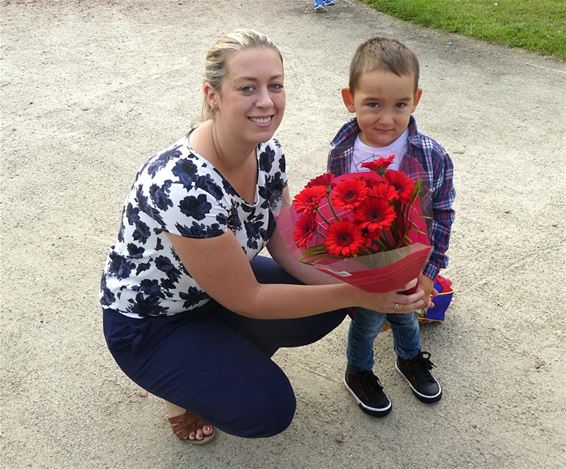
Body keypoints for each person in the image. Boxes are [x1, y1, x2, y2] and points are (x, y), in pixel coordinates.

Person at [100, 29, 426, 445]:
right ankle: (176, 384)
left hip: (211, 290)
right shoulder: (182, 186)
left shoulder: (267, 152)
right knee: (267, 408)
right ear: (213, 95)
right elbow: (248, 299)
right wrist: (358, 296)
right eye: (247, 88)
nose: (267, 102)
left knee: (322, 306)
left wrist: (372, 284)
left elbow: (290, 247)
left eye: (275, 85)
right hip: (152, 322)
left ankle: (209, 363)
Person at [327, 37, 455, 416]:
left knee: (407, 311)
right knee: (367, 320)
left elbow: (444, 214)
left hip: (413, 263)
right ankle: (359, 370)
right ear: (350, 99)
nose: (387, 118)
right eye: (372, 105)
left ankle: (409, 357)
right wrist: (346, 269)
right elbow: (335, 212)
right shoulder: (342, 152)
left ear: (416, 98)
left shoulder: (431, 155)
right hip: (367, 266)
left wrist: (431, 271)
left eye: (400, 105)